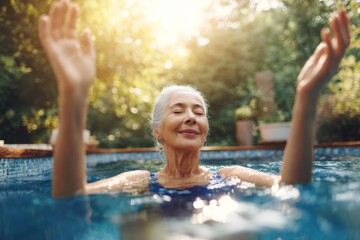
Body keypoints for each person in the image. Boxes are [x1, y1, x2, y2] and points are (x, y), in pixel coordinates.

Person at [38, 0, 350, 198]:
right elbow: (72, 196)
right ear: (157, 130)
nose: (191, 117)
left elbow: (292, 187)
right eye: (179, 110)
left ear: (205, 128)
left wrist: (306, 97)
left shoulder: (231, 176)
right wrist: (73, 97)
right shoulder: (138, 181)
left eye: (198, 112)